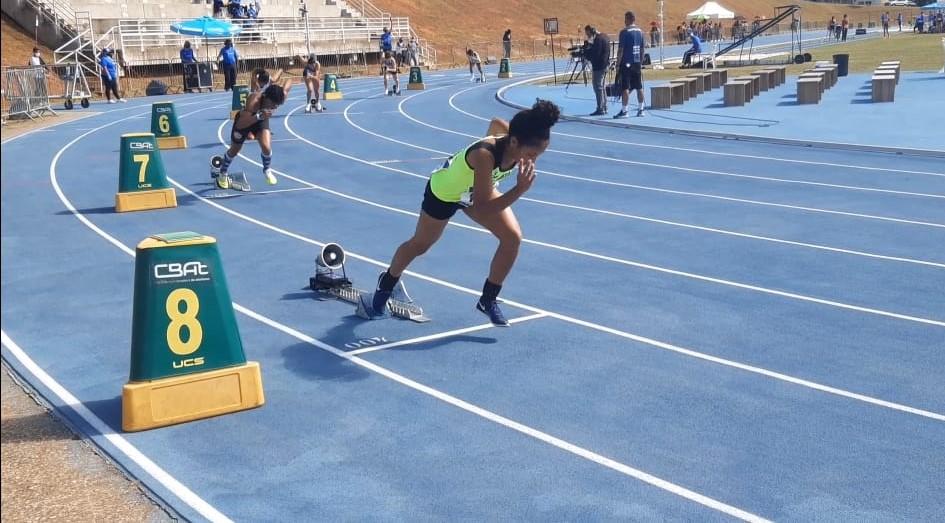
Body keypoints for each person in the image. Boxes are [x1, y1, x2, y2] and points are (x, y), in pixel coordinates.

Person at [358, 100, 561, 326]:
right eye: (532, 154)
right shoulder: (485, 156)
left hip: (476, 191)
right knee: (420, 245)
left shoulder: (512, 137)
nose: (534, 160)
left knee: (512, 238)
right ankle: (385, 284)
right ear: (514, 142)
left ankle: (488, 299)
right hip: (445, 193)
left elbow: (496, 124)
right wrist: (519, 189)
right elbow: (484, 209)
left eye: (539, 154)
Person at [214, 77, 292, 189]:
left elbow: (288, 82)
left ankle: (267, 169)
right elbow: (241, 124)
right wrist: (259, 116)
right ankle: (222, 172)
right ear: (266, 97)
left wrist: (283, 88)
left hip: (261, 119)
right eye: (272, 104)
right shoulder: (254, 101)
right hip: (246, 120)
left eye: (277, 105)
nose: (274, 107)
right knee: (234, 150)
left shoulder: (280, 96)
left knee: (266, 146)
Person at [614, 11, 646, 118]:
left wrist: (618, 65)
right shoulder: (640, 32)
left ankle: (625, 111)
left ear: (629, 19)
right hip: (636, 62)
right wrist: (640, 62)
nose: (624, 21)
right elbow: (642, 49)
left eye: (625, 19)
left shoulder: (624, 32)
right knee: (639, 86)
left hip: (626, 62)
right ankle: (641, 109)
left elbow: (621, 50)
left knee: (625, 87)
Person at [585, 25, 611, 117]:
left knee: (598, 87)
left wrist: (586, 53)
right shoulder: (606, 37)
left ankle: (600, 108)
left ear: (592, 32)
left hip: (599, 66)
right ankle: (604, 106)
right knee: (602, 87)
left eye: (588, 34)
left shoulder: (598, 40)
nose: (588, 36)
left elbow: (595, 54)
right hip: (605, 65)